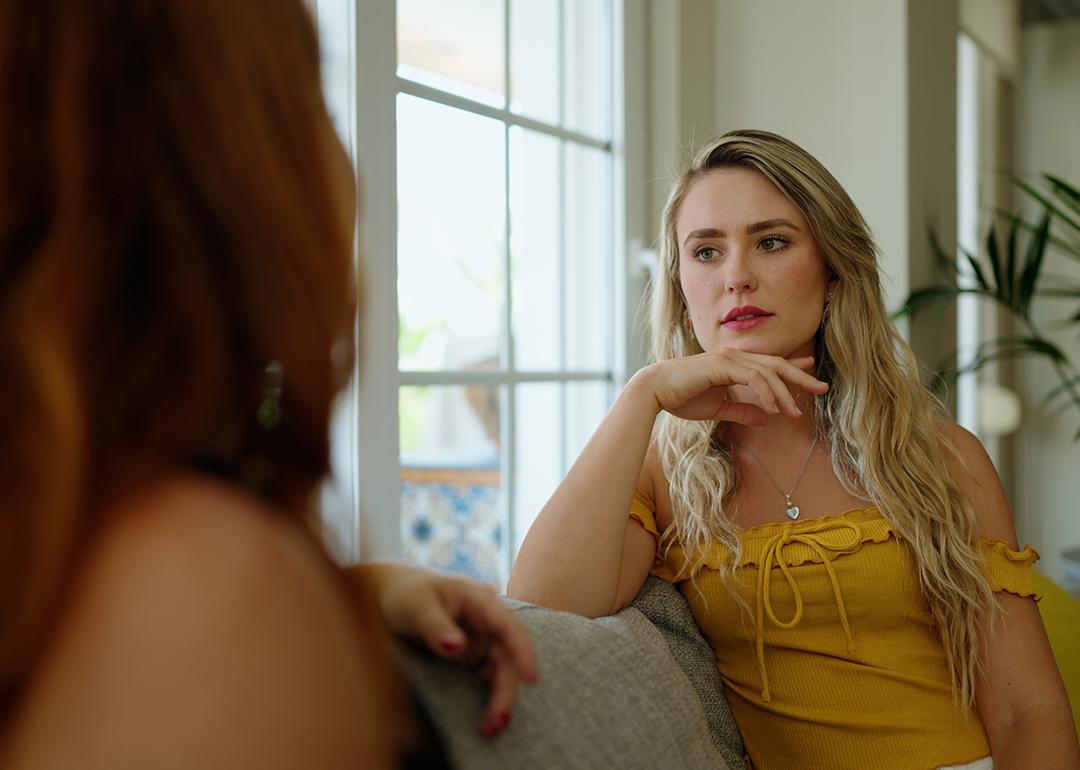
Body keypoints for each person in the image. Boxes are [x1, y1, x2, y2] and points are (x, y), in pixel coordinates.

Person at [0, 1, 536, 767]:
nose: (349, 163)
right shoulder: (202, 589)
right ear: (218, 157)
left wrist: (369, 587)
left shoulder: (67, 516)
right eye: (312, 90)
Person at [508, 129, 1080, 769]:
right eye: (705, 252)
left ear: (833, 271)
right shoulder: (661, 473)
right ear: (681, 287)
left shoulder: (940, 456)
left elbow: (1029, 710)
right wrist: (642, 397)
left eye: (771, 242)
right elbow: (542, 610)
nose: (737, 278)